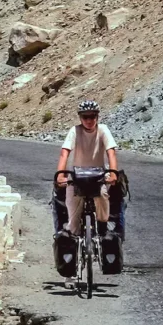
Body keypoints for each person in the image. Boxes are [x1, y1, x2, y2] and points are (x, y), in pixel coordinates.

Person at [55, 99, 118, 237]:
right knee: (72, 207)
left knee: (102, 196)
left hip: (99, 175)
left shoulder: (103, 130)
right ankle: (74, 235)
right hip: (77, 176)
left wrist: (113, 174)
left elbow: (111, 152)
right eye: (85, 117)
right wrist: (60, 175)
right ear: (80, 118)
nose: (89, 120)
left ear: (97, 117)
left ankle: (102, 225)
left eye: (92, 116)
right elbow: (64, 153)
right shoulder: (74, 131)